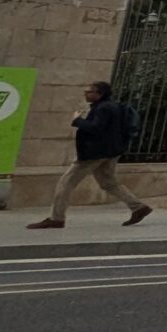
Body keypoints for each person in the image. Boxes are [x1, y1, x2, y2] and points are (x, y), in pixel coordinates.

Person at [35, 81, 152, 229]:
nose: (86, 94)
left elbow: (96, 128)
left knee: (66, 182)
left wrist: (77, 120)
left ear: (100, 94)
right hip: (111, 151)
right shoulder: (113, 106)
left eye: (90, 92)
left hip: (95, 153)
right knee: (108, 182)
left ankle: (56, 218)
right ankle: (138, 207)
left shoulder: (103, 108)